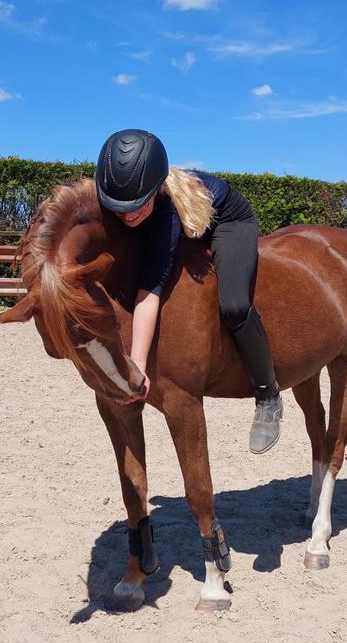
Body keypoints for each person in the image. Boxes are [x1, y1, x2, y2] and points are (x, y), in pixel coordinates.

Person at [95, 128, 283, 454]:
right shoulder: (125, 201)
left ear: (157, 189)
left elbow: (150, 289)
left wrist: (135, 367)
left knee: (235, 306)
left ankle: (268, 395)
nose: (127, 215)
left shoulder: (166, 213)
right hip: (181, 221)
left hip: (227, 220)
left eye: (137, 206)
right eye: (118, 208)